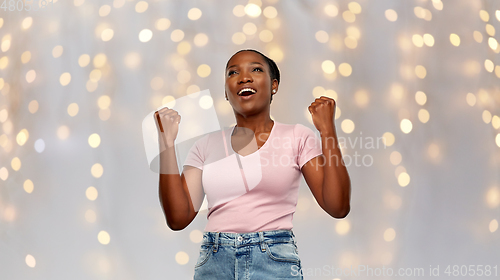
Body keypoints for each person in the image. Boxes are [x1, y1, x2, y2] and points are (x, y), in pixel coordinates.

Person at [154, 49, 351, 279]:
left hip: (274, 261)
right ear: (226, 93)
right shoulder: (206, 145)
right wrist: (166, 143)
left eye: (256, 69)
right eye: (233, 72)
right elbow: (178, 218)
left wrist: (327, 130)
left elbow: (338, 206)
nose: (244, 77)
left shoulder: (297, 137)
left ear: (274, 85)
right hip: (214, 263)